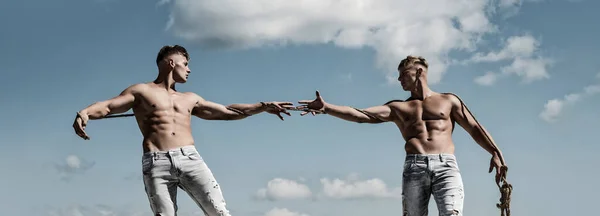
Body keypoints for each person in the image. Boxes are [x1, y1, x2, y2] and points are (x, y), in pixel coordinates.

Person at [72, 45, 294, 216]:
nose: (189, 69)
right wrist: (85, 113)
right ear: (171, 62)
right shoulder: (141, 91)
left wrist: (263, 107)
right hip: (156, 162)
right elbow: (110, 106)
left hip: (190, 158)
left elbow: (228, 111)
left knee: (219, 212)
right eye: (185, 63)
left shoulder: (190, 99)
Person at [295, 56, 507, 216]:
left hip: (446, 167)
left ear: (419, 72)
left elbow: (475, 128)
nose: (399, 79)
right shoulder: (399, 107)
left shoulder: (449, 100)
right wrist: (327, 107)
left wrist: (496, 153)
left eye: (403, 74)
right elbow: (361, 115)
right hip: (414, 167)